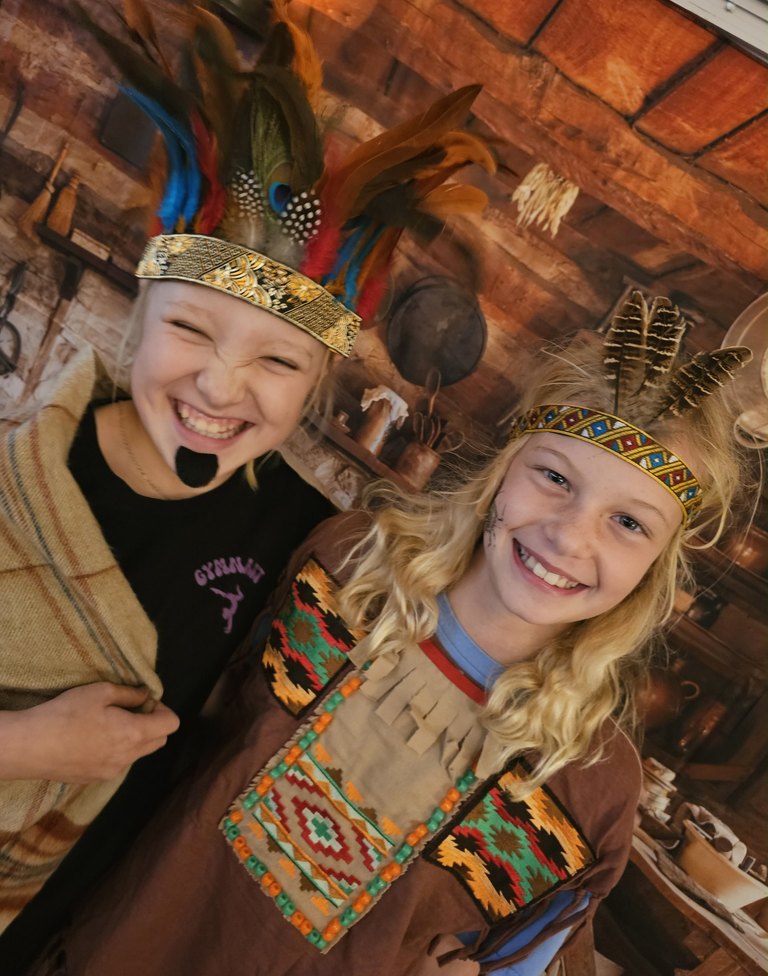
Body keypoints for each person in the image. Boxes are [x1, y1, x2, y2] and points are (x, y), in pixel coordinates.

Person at [0, 0, 493, 970]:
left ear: (317, 384)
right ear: (138, 323)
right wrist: (28, 749)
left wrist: (413, 942)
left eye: (279, 362)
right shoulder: (17, 487)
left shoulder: (305, 538)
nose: (221, 385)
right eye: (190, 328)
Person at [41, 292, 753, 975]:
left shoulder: (590, 783)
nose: (569, 536)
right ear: (504, 471)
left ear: (659, 566)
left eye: (629, 523)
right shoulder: (346, 569)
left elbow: (520, 958)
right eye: (554, 477)